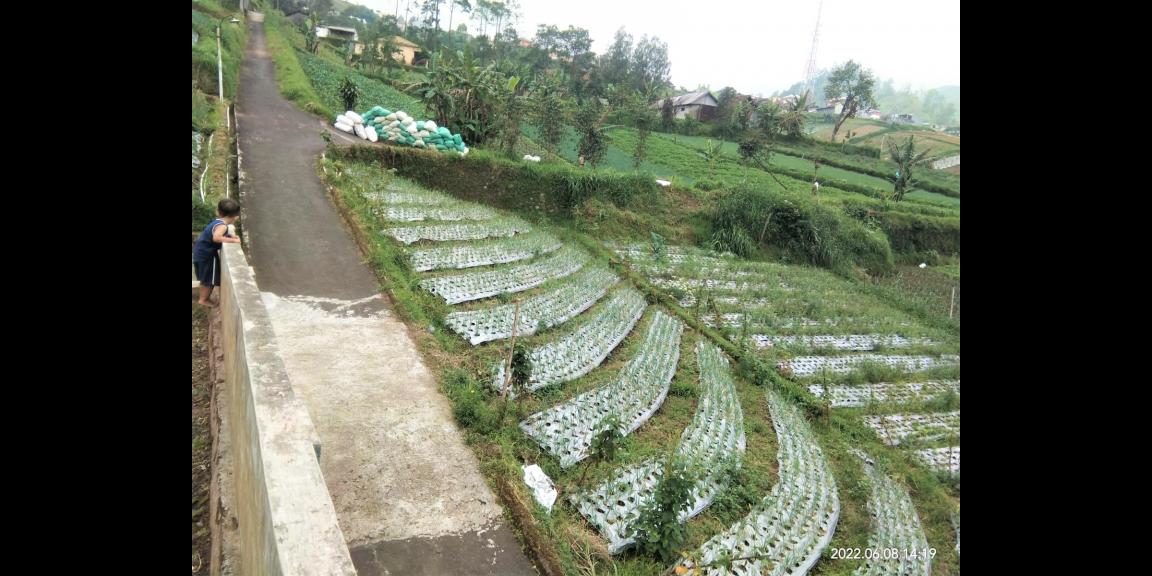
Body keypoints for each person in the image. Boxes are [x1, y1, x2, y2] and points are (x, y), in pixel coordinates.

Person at [193, 198, 241, 308]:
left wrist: (229, 236)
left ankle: (204, 298)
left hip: (200, 252)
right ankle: (203, 299)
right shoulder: (223, 225)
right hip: (207, 255)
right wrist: (234, 240)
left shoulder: (217, 222)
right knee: (209, 279)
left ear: (218, 212)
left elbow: (217, 234)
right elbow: (217, 238)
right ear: (235, 216)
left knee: (205, 278)